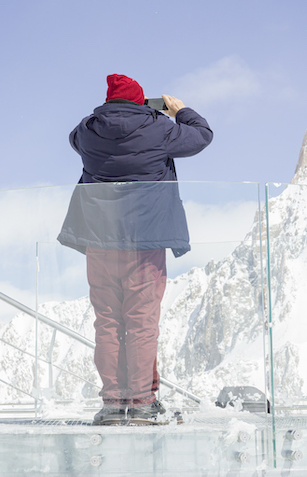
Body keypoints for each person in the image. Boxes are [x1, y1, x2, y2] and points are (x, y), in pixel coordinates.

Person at [58, 74, 213, 424]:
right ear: (141, 102)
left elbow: (74, 138)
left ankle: (113, 404)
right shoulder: (158, 127)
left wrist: (110, 118)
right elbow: (202, 136)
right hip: (145, 242)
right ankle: (143, 402)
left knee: (108, 322)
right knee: (141, 322)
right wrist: (181, 111)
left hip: (100, 241)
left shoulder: (87, 130)